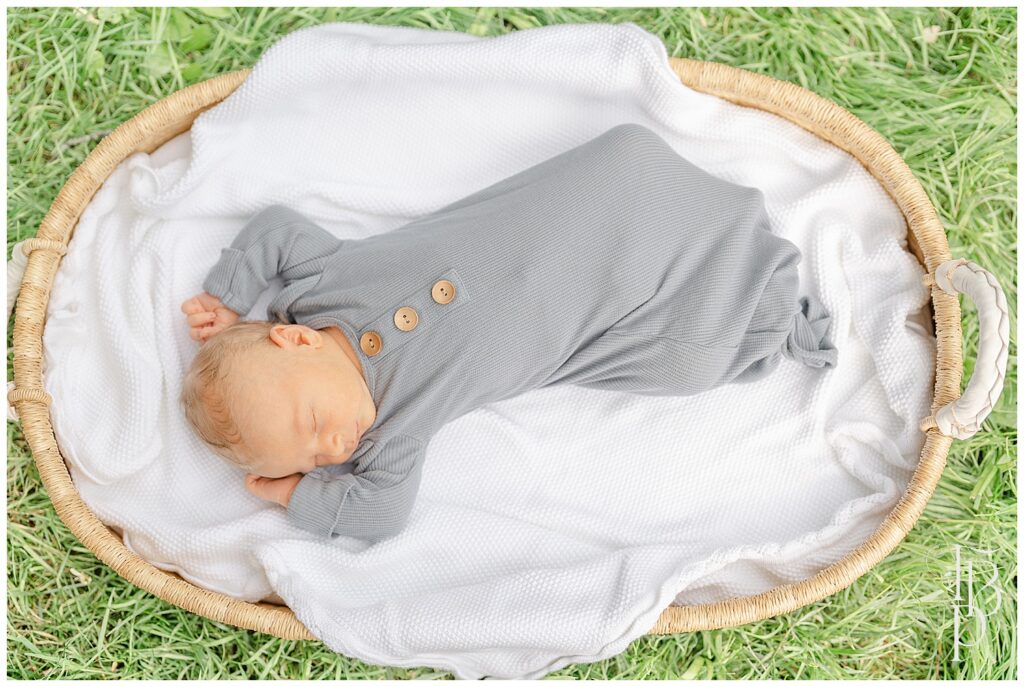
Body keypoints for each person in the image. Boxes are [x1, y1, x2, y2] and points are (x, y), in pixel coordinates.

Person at [179, 123, 838, 543]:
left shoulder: (319, 284)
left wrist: (229, 295)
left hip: (592, 206)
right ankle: (769, 318)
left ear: (293, 339)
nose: (332, 444)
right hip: (603, 308)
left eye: (311, 421)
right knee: (688, 358)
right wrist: (296, 496)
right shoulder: (394, 433)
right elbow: (382, 516)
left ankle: (695, 224)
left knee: (626, 162)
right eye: (315, 459)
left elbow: (274, 228)